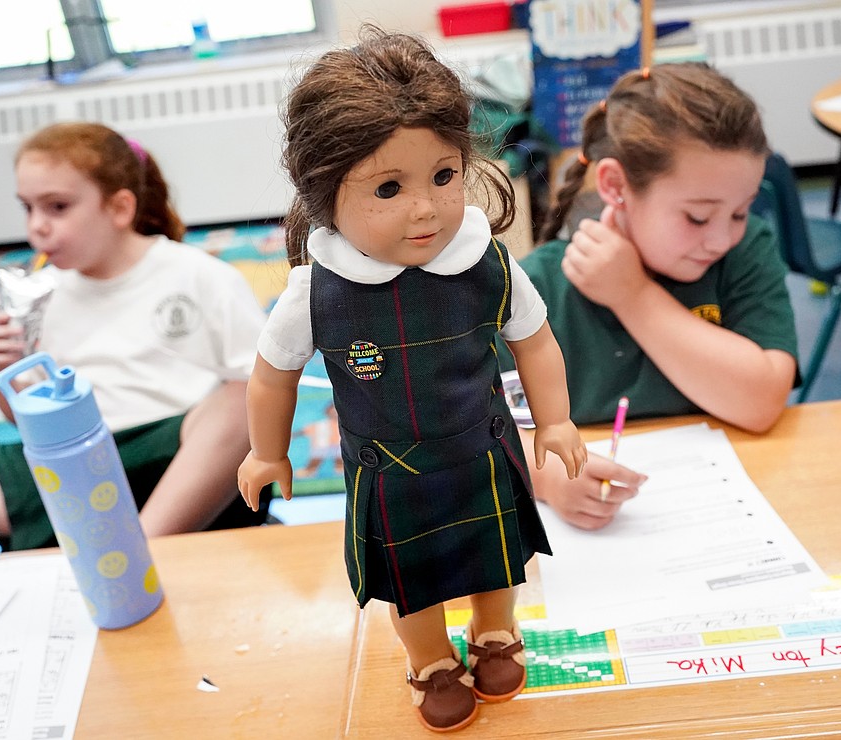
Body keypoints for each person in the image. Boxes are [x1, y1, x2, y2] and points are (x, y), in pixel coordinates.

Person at [236, 28, 586, 733]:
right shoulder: (318, 291)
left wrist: (555, 420)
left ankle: (494, 634)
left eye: (444, 176)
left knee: (498, 562)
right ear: (325, 192)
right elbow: (272, 377)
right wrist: (266, 451)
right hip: (390, 471)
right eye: (389, 188)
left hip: (482, 450)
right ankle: (429, 661)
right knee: (413, 582)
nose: (425, 208)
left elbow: (536, 342)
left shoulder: (487, 263)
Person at [0, 122, 267, 560]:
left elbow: (265, 393)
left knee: (243, 398)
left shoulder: (196, 274)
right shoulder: (41, 294)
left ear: (120, 207)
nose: (37, 227)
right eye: (27, 208)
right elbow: (33, 425)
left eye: (57, 207)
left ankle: (135, 556)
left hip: (174, 465)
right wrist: (0, 374)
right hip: (74, 469)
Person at [499, 63, 799, 531]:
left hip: (725, 517)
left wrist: (634, 296)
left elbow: (761, 401)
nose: (721, 238)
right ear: (616, 187)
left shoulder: (746, 250)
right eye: (698, 218)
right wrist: (545, 476)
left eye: (740, 212)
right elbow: (470, 427)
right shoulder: (534, 287)